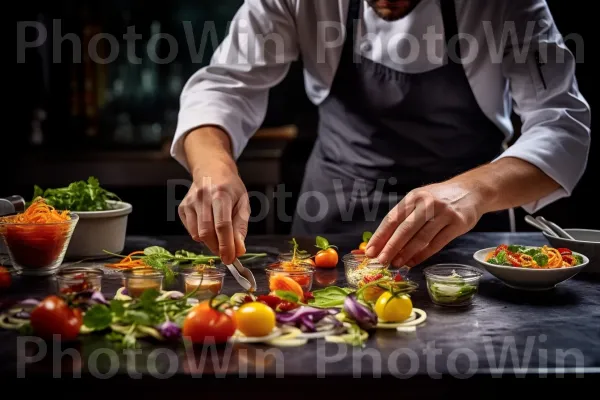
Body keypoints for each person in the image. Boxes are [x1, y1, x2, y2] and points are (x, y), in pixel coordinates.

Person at [171, 0, 591, 268]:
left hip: (469, 240)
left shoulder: (507, 6)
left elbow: (561, 124)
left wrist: (472, 192)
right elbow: (222, 87)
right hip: (330, 227)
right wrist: (213, 167)